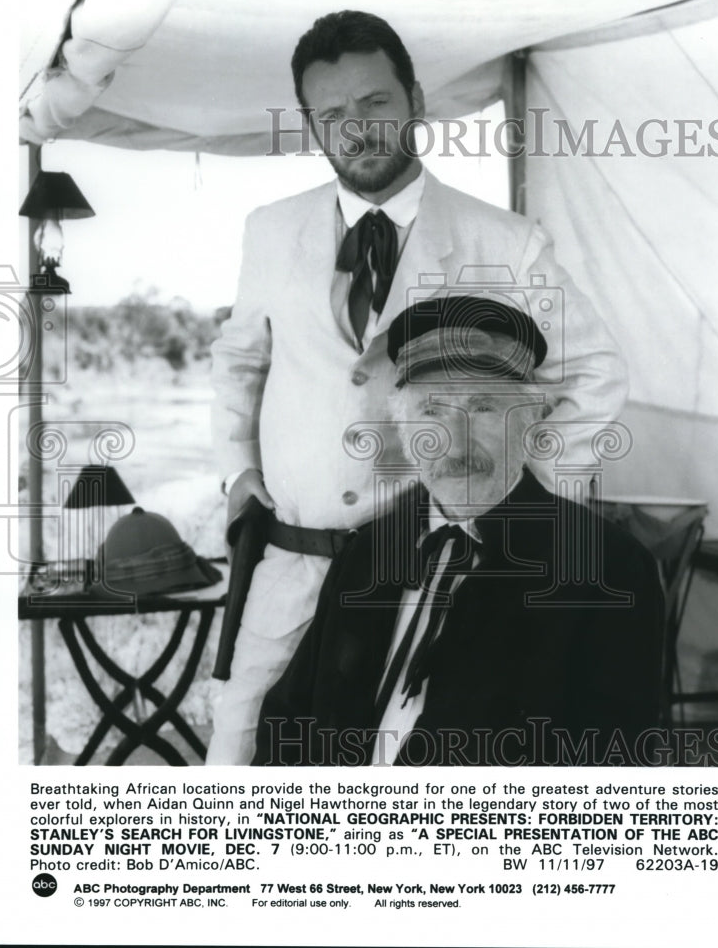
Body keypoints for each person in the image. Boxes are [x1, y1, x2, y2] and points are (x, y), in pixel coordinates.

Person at [207, 11, 628, 765]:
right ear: (311, 126)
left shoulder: (503, 241)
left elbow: (594, 371)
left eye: (374, 103)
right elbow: (240, 362)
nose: (357, 128)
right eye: (332, 114)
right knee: (240, 769)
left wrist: (512, 498)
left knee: (394, 770)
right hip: (290, 563)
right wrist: (239, 471)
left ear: (415, 101)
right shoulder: (268, 230)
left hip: (420, 576)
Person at [253, 297, 664, 767]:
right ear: (403, 426)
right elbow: (289, 722)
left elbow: (613, 769)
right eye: (433, 410)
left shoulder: (606, 570)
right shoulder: (367, 551)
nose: (456, 440)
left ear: (530, 420)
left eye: (483, 407)